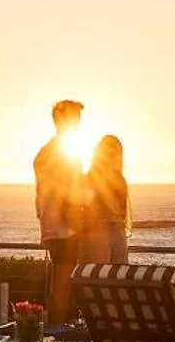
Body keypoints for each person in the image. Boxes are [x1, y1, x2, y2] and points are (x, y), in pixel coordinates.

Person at [32, 99, 86, 323]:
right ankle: (57, 337)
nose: (79, 123)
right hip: (64, 228)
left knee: (60, 285)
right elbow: (67, 193)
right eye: (76, 118)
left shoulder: (47, 152)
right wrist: (77, 223)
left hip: (53, 225)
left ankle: (58, 333)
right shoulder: (60, 153)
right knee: (63, 286)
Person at [80, 135, 130, 265]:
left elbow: (83, 207)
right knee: (118, 276)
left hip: (97, 233)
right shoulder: (120, 180)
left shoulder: (90, 178)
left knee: (96, 276)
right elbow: (123, 212)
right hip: (117, 233)